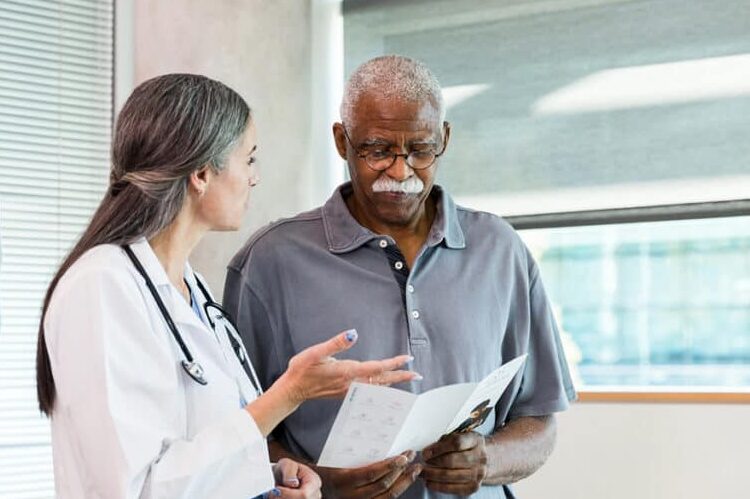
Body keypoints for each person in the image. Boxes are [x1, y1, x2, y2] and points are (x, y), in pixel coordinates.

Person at [35, 73, 418, 499]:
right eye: (249, 159)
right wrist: (291, 393)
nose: (254, 177)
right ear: (201, 173)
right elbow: (135, 488)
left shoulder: (189, 288)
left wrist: (268, 475)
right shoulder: (102, 286)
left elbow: (198, 454)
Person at [224, 55, 576, 499]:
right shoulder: (270, 261)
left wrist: (487, 460)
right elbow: (234, 432)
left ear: (444, 138)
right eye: (377, 150)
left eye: (421, 150)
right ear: (341, 141)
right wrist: (322, 481)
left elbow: (540, 420)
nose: (400, 170)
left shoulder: (501, 250)